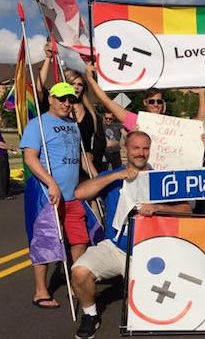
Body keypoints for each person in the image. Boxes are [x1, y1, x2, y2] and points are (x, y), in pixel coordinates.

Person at [70, 131, 193, 339]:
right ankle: (90, 316)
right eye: (136, 148)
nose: (141, 153)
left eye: (145, 148)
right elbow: (80, 193)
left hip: (150, 252)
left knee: (157, 313)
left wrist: (158, 207)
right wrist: (116, 175)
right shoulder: (115, 175)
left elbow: (187, 211)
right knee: (79, 271)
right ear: (126, 149)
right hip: (115, 247)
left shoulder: (161, 178)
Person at [19, 82, 93, 309]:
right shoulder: (37, 125)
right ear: (51, 99)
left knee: (80, 240)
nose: (66, 103)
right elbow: (30, 158)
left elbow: (81, 156)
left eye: (70, 99)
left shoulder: (73, 124)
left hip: (73, 195)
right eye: (62, 99)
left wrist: (96, 180)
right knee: (46, 242)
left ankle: (77, 284)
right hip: (47, 194)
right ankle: (41, 291)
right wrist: (50, 182)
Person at [38, 44, 105, 177]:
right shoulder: (57, 110)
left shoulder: (91, 113)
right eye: (72, 84)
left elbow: (100, 141)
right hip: (62, 166)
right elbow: (39, 88)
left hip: (87, 167)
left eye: (80, 84)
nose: (76, 87)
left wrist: (92, 154)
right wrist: (47, 58)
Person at [84, 63, 205, 132]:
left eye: (159, 101)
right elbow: (107, 101)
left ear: (163, 103)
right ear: (145, 102)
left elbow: (200, 121)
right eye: (152, 101)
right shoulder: (135, 120)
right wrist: (90, 78)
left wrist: (201, 94)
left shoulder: (172, 125)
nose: (155, 104)